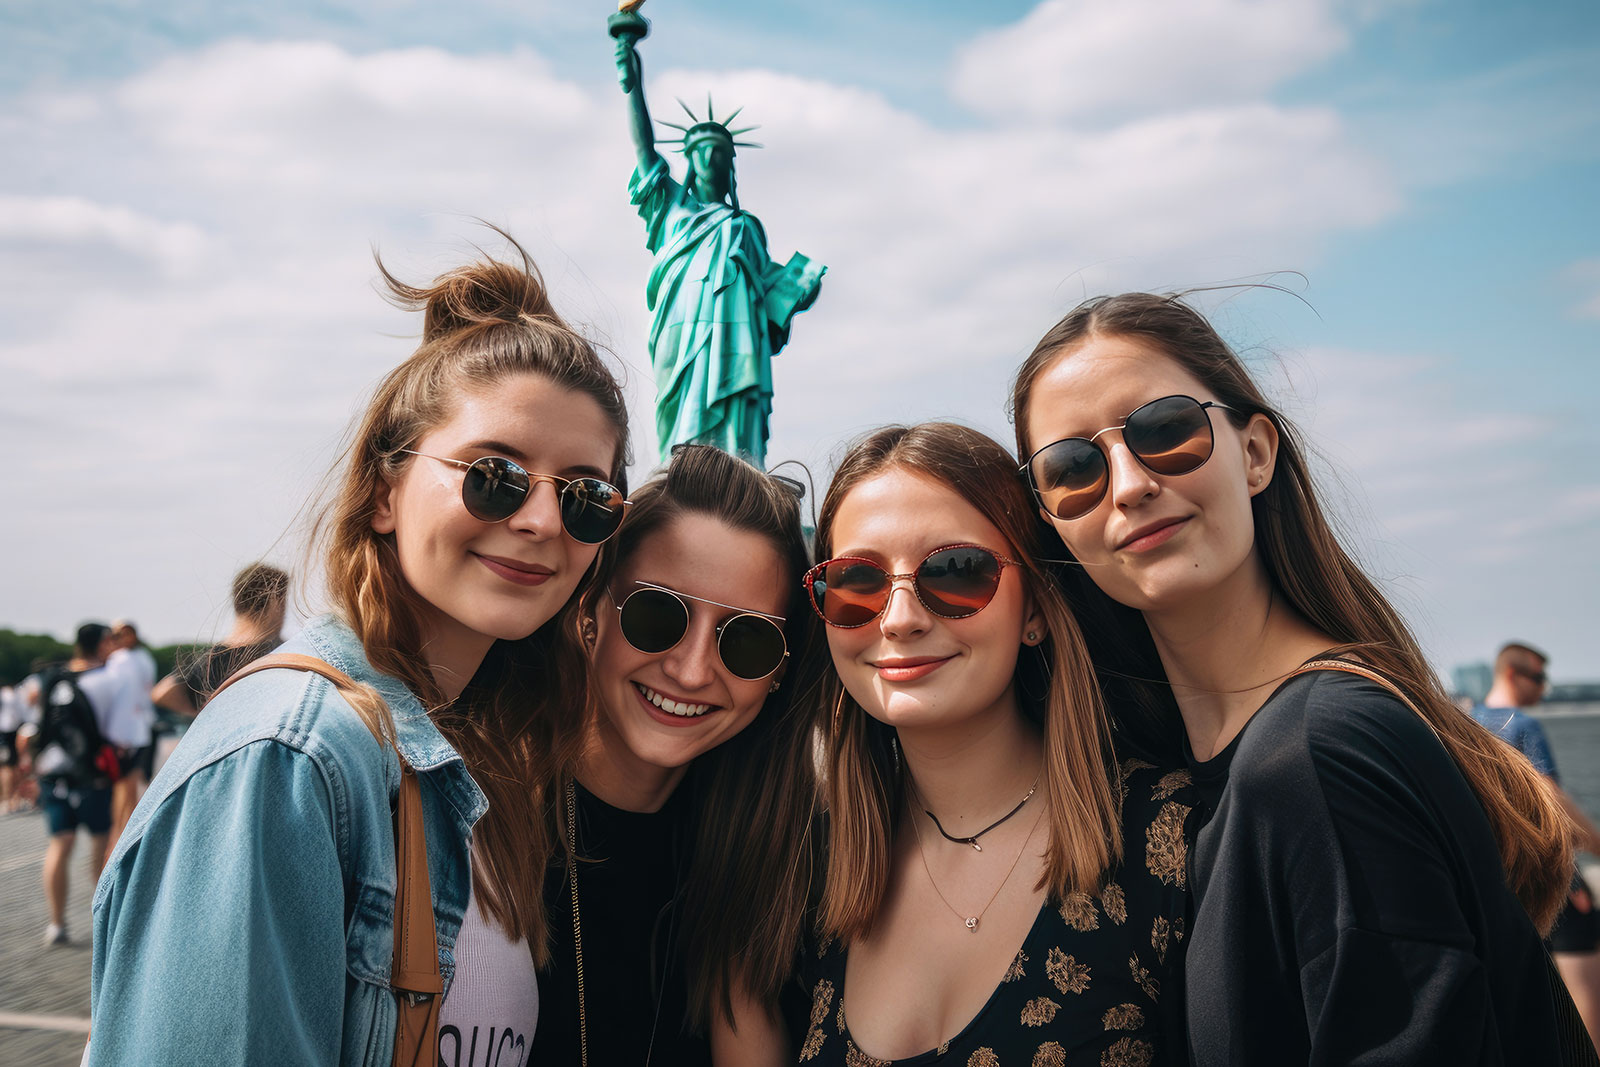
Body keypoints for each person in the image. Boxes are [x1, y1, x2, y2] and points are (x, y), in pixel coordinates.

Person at [85, 235, 632, 1064]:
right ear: (384, 491)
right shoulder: (293, 754)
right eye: (495, 474)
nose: (542, 520)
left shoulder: (485, 755)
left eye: (587, 496)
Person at [1012, 292, 1581, 1064]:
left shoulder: (1318, 753)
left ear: (1255, 454)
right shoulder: (1184, 777)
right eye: (1072, 466)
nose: (1128, 483)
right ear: (1051, 520)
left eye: (1165, 429)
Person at [720, 423, 1192, 1066]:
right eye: (857, 583)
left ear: (1034, 610)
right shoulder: (812, 870)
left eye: (957, 571)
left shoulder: (1171, 841)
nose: (901, 617)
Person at [534, 442, 822, 1066]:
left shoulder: (772, 857)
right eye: (657, 614)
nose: (691, 672)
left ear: (778, 674)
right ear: (591, 609)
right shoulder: (483, 823)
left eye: (746, 640)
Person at [609, 11, 825, 466]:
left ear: (731, 164)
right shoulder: (670, 207)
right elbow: (644, 147)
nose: (712, 159)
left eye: (721, 153)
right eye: (703, 151)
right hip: (682, 329)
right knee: (682, 420)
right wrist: (632, 77)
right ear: (690, 158)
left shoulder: (747, 226)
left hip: (738, 336)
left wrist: (800, 287)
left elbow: (770, 292)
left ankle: (740, 470)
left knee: (737, 433)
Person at [1474, 641, 1600, 1045]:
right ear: (1512, 674)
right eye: (1539, 677)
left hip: (1501, 880)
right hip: (1548, 874)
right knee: (1585, 991)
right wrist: (1593, 848)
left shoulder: (1471, 723)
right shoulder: (1523, 725)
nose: (1545, 688)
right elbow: (1552, 806)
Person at [20, 622, 122, 946]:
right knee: (100, 846)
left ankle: (56, 923)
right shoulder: (107, 680)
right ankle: (104, 921)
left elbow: (30, 720)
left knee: (59, 845)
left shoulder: (48, 679)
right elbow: (118, 732)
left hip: (53, 774)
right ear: (103, 643)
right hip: (92, 775)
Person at [151, 562, 290, 717]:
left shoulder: (210, 658)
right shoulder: (277, 653)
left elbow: (162, 692)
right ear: (275, 601)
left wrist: (207, 716)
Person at [103, 619, 158, 849]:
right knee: (129, 783)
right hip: (140, 728)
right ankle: (126, 832)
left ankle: (120, 833)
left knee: (124, 784)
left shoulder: (120, 660)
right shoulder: (143, 658)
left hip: (124, 731)